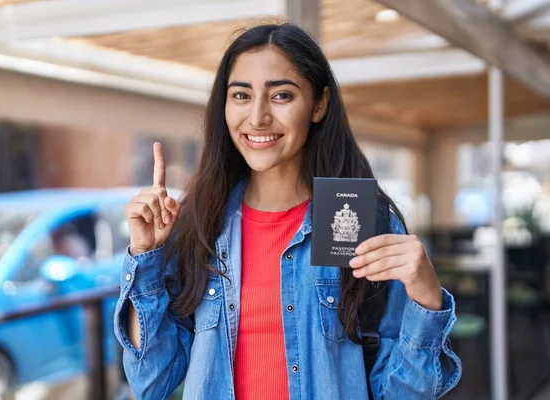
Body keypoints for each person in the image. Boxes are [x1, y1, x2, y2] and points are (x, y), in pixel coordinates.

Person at [115, 23, 462, 400]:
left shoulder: (360, 219)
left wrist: (427, 298)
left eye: (281, 95)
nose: (258, 117)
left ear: (319, 104)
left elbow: (402, 394)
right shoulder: (199, 224)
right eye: (241, 95)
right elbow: (152, 381)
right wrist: (145, 257)